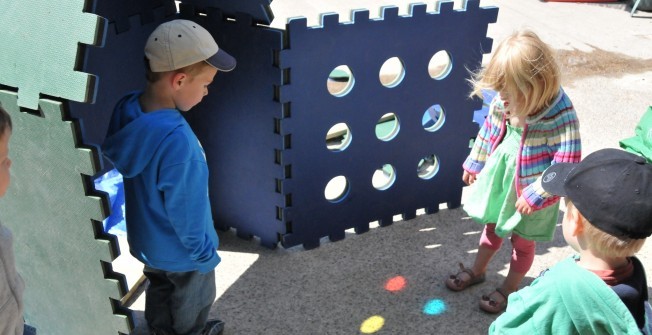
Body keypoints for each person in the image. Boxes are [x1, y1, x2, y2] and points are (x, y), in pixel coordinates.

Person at [102, 19, 236, 335]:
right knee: (193, 304)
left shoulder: (128, 107)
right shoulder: (179, 143)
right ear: (178, 81)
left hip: (148, 242)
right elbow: (186, 211)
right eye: (205, 84)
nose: (206, 92)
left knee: (160, 288)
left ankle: (160, 329)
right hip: (184, 254)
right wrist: (205, 256)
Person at [444, 29, 581, 313]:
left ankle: (509, 288)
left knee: (522, 242)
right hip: (503, 180)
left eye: (510, 91)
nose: (502, 97)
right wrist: (475, 161)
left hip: (532, 194)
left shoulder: (559, 114)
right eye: (500, 89)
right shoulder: (505, 98)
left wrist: (537, 193)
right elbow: (490, 130)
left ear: (538, 85)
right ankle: (478, 270)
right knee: (491, 229)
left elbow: (567, 162)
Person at [490, 148, 652, 334]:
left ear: (575, 222)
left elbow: (505, 330)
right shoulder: (634, 276)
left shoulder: (558, 288)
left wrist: (524, 300)